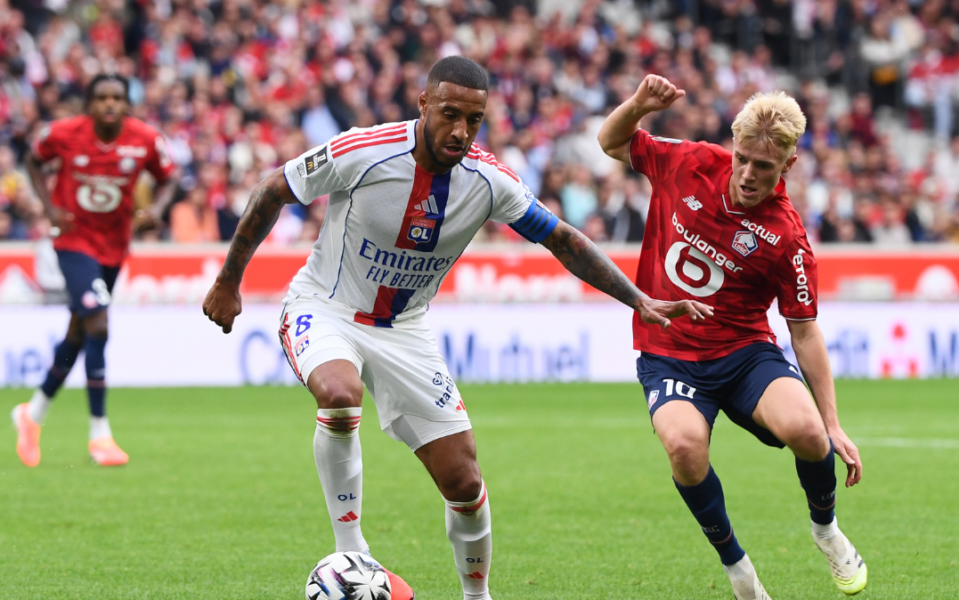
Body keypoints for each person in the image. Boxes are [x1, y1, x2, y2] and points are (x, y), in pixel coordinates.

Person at [202, 56, 711, 600]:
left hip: (406, 331)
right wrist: (229, 280)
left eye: (475, 120)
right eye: (449, 114)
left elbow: (563, 239)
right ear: (423, 104)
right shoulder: (364, 150)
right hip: (326, 307)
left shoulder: (488, 180)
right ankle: (351, 552)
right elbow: (270, 190)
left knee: (464, 482)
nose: (461, 131)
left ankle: (477, 596)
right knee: (339, 392)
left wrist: (638, 300)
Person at [598, 76, 866, 599]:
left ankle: (826, 531)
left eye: (762, 166)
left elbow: (804, 331)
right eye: (742, 157)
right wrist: (637, 105)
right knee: (682, 444)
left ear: (787, 166)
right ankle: (740, 572)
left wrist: (833, 422)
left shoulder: (786, 236)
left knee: (809, 434)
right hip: (669, 355)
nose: (746, 173)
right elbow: (611, 142)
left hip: (744, 355)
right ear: (732, 144)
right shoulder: (689, 161)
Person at [11, 73, 177, 467]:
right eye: (100, 97)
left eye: (116, 97)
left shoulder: (145, 139)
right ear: (89, 104)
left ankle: (31, 415)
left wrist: (155, 210)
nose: (108, 104)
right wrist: (50, 209)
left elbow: (168, 179)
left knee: (78, 332)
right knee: (98, 325)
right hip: (73, 242)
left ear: (126, 104)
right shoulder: (65, 133)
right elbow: (34, 160)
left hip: (113, 246)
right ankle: (99, 433)